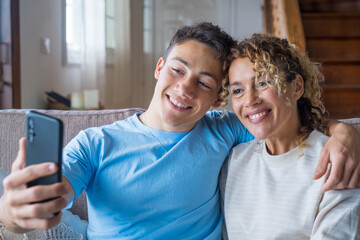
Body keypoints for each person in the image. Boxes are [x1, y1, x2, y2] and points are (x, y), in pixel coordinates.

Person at [0, 23, 359, 239]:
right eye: (177, 70)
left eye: (204, 82)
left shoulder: (224, 132)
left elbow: (287, 119)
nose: (185, 88)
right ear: (160, 67)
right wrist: (14, 214)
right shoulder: (96, 143)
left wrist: (343, 132)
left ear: (218, 98)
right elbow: (51, 193)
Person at [220, 33, 360, 239]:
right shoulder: (234, 161)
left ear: (297, 87)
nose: (249, 100)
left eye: (263, 82)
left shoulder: (336, 159)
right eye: (238, 90)